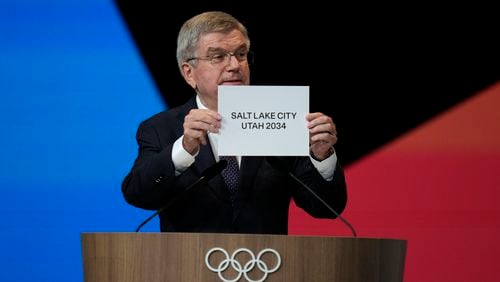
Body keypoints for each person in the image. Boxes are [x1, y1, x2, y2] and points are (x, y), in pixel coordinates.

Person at [122, 11, 347, 234]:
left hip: (267, 264)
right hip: (188, 265)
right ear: (189, 73)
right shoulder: (160, 129)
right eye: (217, 56)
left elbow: (326, 207)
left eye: (240, 54)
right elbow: (138, 194)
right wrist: (184, 148)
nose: (234, 66)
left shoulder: (280, 120)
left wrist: (321, 156)